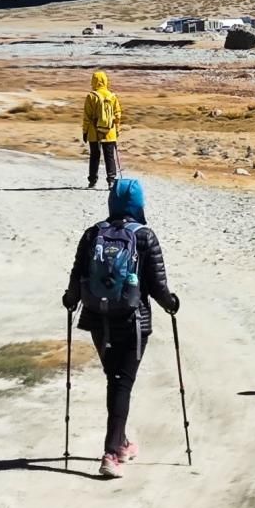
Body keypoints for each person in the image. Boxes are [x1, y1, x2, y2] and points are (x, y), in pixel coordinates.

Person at [63, 174, 177, 479]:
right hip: (132, 321)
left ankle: (121, 442)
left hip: (97, 318)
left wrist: (70, 300)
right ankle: (112, 453)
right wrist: (172, 304)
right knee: (121, 383)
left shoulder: (92, 234)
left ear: (112, 202)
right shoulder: (144, 236)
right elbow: (157, 287)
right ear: (138, 203)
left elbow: (77, 277)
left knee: (114, 380)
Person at [82, 69, 123, 187]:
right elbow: (117, 115)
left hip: (93, 132)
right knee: (109, 156)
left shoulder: (91, 96)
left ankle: (92, 181)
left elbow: (87, 116)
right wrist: (117, 130)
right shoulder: (112, 96)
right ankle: (111, 180)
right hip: (110, 131)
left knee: (95, 155)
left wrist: (85, 132)